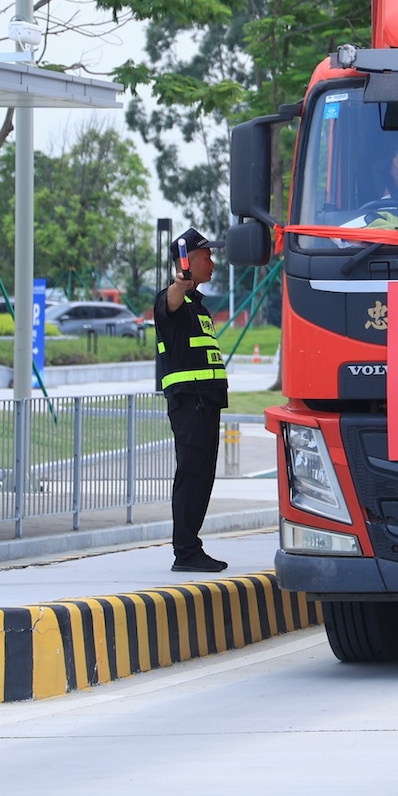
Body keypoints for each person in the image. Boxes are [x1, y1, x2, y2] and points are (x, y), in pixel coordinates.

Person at [154, 228, 228, 572]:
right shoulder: (173, 300)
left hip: (206, 402)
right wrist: (178, 285)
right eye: (207, 257)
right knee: (191, 474)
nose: (212, 263)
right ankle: (185, 551)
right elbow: (169, 300)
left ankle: (191, 547)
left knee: (202, 475)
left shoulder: (198, 306)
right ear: (189, 262)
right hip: (189, 403)